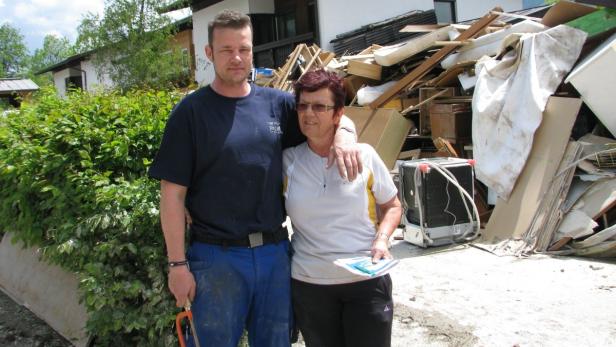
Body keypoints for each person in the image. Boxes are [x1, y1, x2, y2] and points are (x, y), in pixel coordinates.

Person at [148, 10, 361, 347]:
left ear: (253, 50)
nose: (236, 58)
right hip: (216, 259)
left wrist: (346, 136)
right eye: (226, 50)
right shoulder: (191, 113)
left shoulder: (278, 105)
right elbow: (172, 196)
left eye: (244, 49)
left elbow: (328, 113)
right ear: (208, 53)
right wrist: (177, 264)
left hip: (274, 255)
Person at [283, 69, 402, 347]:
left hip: (366, 282)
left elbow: (393, 205)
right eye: (303, 105)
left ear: (338, 114)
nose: (308, 114)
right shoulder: (287, 161)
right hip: (310, 284)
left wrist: (382, 240)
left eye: (319, 107)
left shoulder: (366, 156)